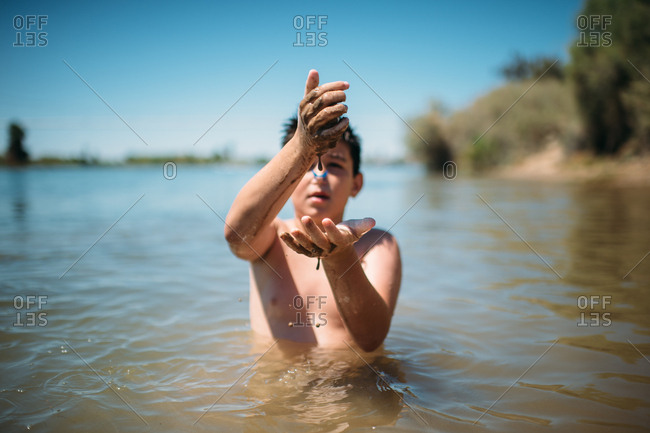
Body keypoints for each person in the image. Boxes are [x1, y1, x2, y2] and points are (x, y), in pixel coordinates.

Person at [224, 70, 401, 352]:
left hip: (348, 390)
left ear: (357, 184)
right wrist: (301, 146)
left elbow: (371, 339)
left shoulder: (377, 244)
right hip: (278, 391)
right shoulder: (271, 237)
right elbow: (236, 235)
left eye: (335, 164)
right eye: (307, 165)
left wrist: (340, 257)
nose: (318, 174)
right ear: (289, 176)